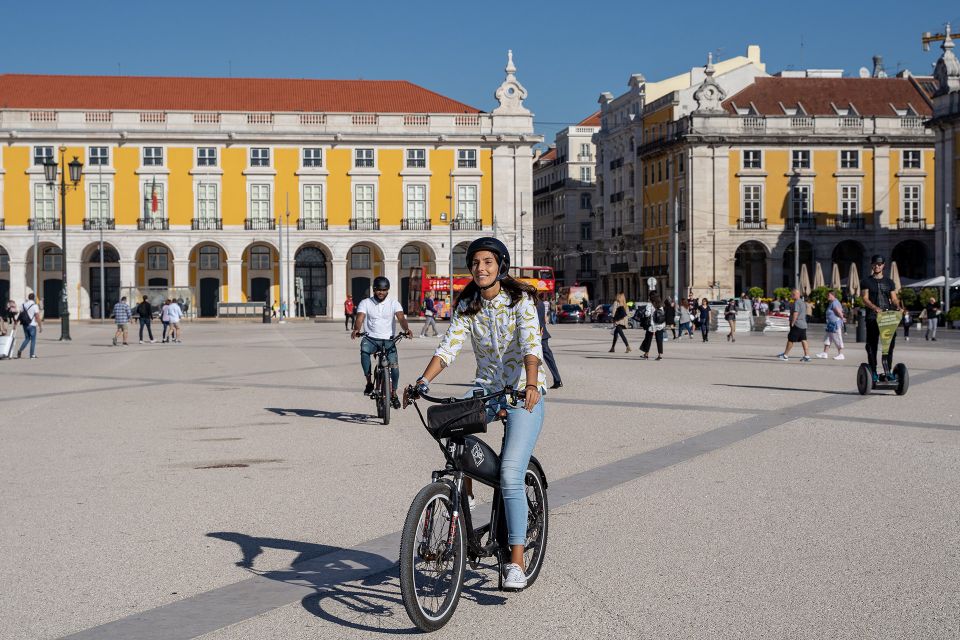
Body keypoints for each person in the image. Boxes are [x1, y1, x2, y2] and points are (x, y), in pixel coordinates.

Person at [404, 236, 545, 591]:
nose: (480, 269)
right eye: (475, 263)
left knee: (512, 475)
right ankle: (462, 488)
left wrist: (530, 384)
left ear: (500, 266)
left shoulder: (520, 301)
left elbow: (531, 344)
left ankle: (516, 560)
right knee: (450, 423)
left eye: (487, 262)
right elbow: (449, 346)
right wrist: (422, 381)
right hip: (486, 388)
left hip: (520, 392)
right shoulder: (468, 304)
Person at [351, 276, 412, 408]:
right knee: (364, 351)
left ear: (388, 290)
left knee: (394, 367)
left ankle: (394, 393)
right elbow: (360, 317)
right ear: (374, 289)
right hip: (371, 338)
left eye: (384, 290)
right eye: (378, 289)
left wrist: (406, 329)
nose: (381, 292)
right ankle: (369, 382)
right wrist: (356, 329)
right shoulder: (366, 302)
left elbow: (401, 317)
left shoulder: (394, 303)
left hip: (389, 340)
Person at [861, 255, 901, 382]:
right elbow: (865, 298)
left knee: (889, 346)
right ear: (872, 265)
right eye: (875, 264)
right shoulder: (866, 281)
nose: (877, 266)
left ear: (883, 265)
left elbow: (893, 298)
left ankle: (887, 371)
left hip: (887, 317)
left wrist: (898, 306)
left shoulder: (889, 282)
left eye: (879, 264)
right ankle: (873, 371)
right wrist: (875, 308)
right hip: (873, 317)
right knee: (872, 345)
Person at [537, 293, 562, 388]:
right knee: (549, 358)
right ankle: (557, 379)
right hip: (543, 334)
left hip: (539, 334)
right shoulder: (540, 303)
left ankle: (557, 379)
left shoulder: (533, 304)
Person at [778, 289, 811, 361]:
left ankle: (785, 355)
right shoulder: (802, 302)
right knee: (803, 339)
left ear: (795, 294)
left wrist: (793, 322)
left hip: (797, 324)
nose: (791, 296)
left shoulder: (796, 303)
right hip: (803, 324)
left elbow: (796, 313)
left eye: (792, 294)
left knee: (791, 340)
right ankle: (807, 356)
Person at [817, 290, 845, 360]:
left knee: (837, 339)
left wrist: (842, 318)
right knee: (828, 339)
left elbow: (838, 311)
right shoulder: (832, 302)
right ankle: (824, 353)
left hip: (835, 324)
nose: (827, 296)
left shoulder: (835, 302)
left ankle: (841, 354)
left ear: (833, 295)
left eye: (828, 295)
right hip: (830, 324)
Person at [639, 293, 665, 360]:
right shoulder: (661, 305)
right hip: (660, 325)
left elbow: (647, 314)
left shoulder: (650, 305)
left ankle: (646, 354)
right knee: (659, 340)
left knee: (648, 339)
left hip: (651, 325)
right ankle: (659, 355)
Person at [16, 293, 42, 359]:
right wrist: (40, 326)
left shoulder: (23, 305)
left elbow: (20, 315)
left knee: (27, 338)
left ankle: (20, 350)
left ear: (28, 297)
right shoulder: (35, 306)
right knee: (33, 340)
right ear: (34, 298)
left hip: (25, 324)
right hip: (32, 325)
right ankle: (32, 355)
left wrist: (15, 323)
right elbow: (37, 316)